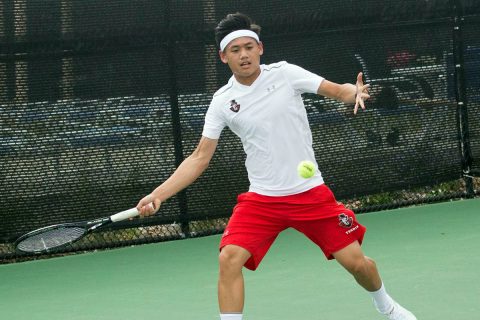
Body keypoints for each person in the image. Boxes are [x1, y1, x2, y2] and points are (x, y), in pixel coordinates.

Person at [136, 12, 417, 320]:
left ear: (260, 48)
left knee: (357, 264)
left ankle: (386, 306)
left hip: (310, 194)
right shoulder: (222, 101)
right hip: (262, 200)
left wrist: (356, 92)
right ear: (223, 57)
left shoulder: (285, 74)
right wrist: (159, 193)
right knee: (229, 258)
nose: (243, 55)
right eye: (235, 50)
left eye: (248, 47)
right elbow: (199, 157)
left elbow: (337, 90)